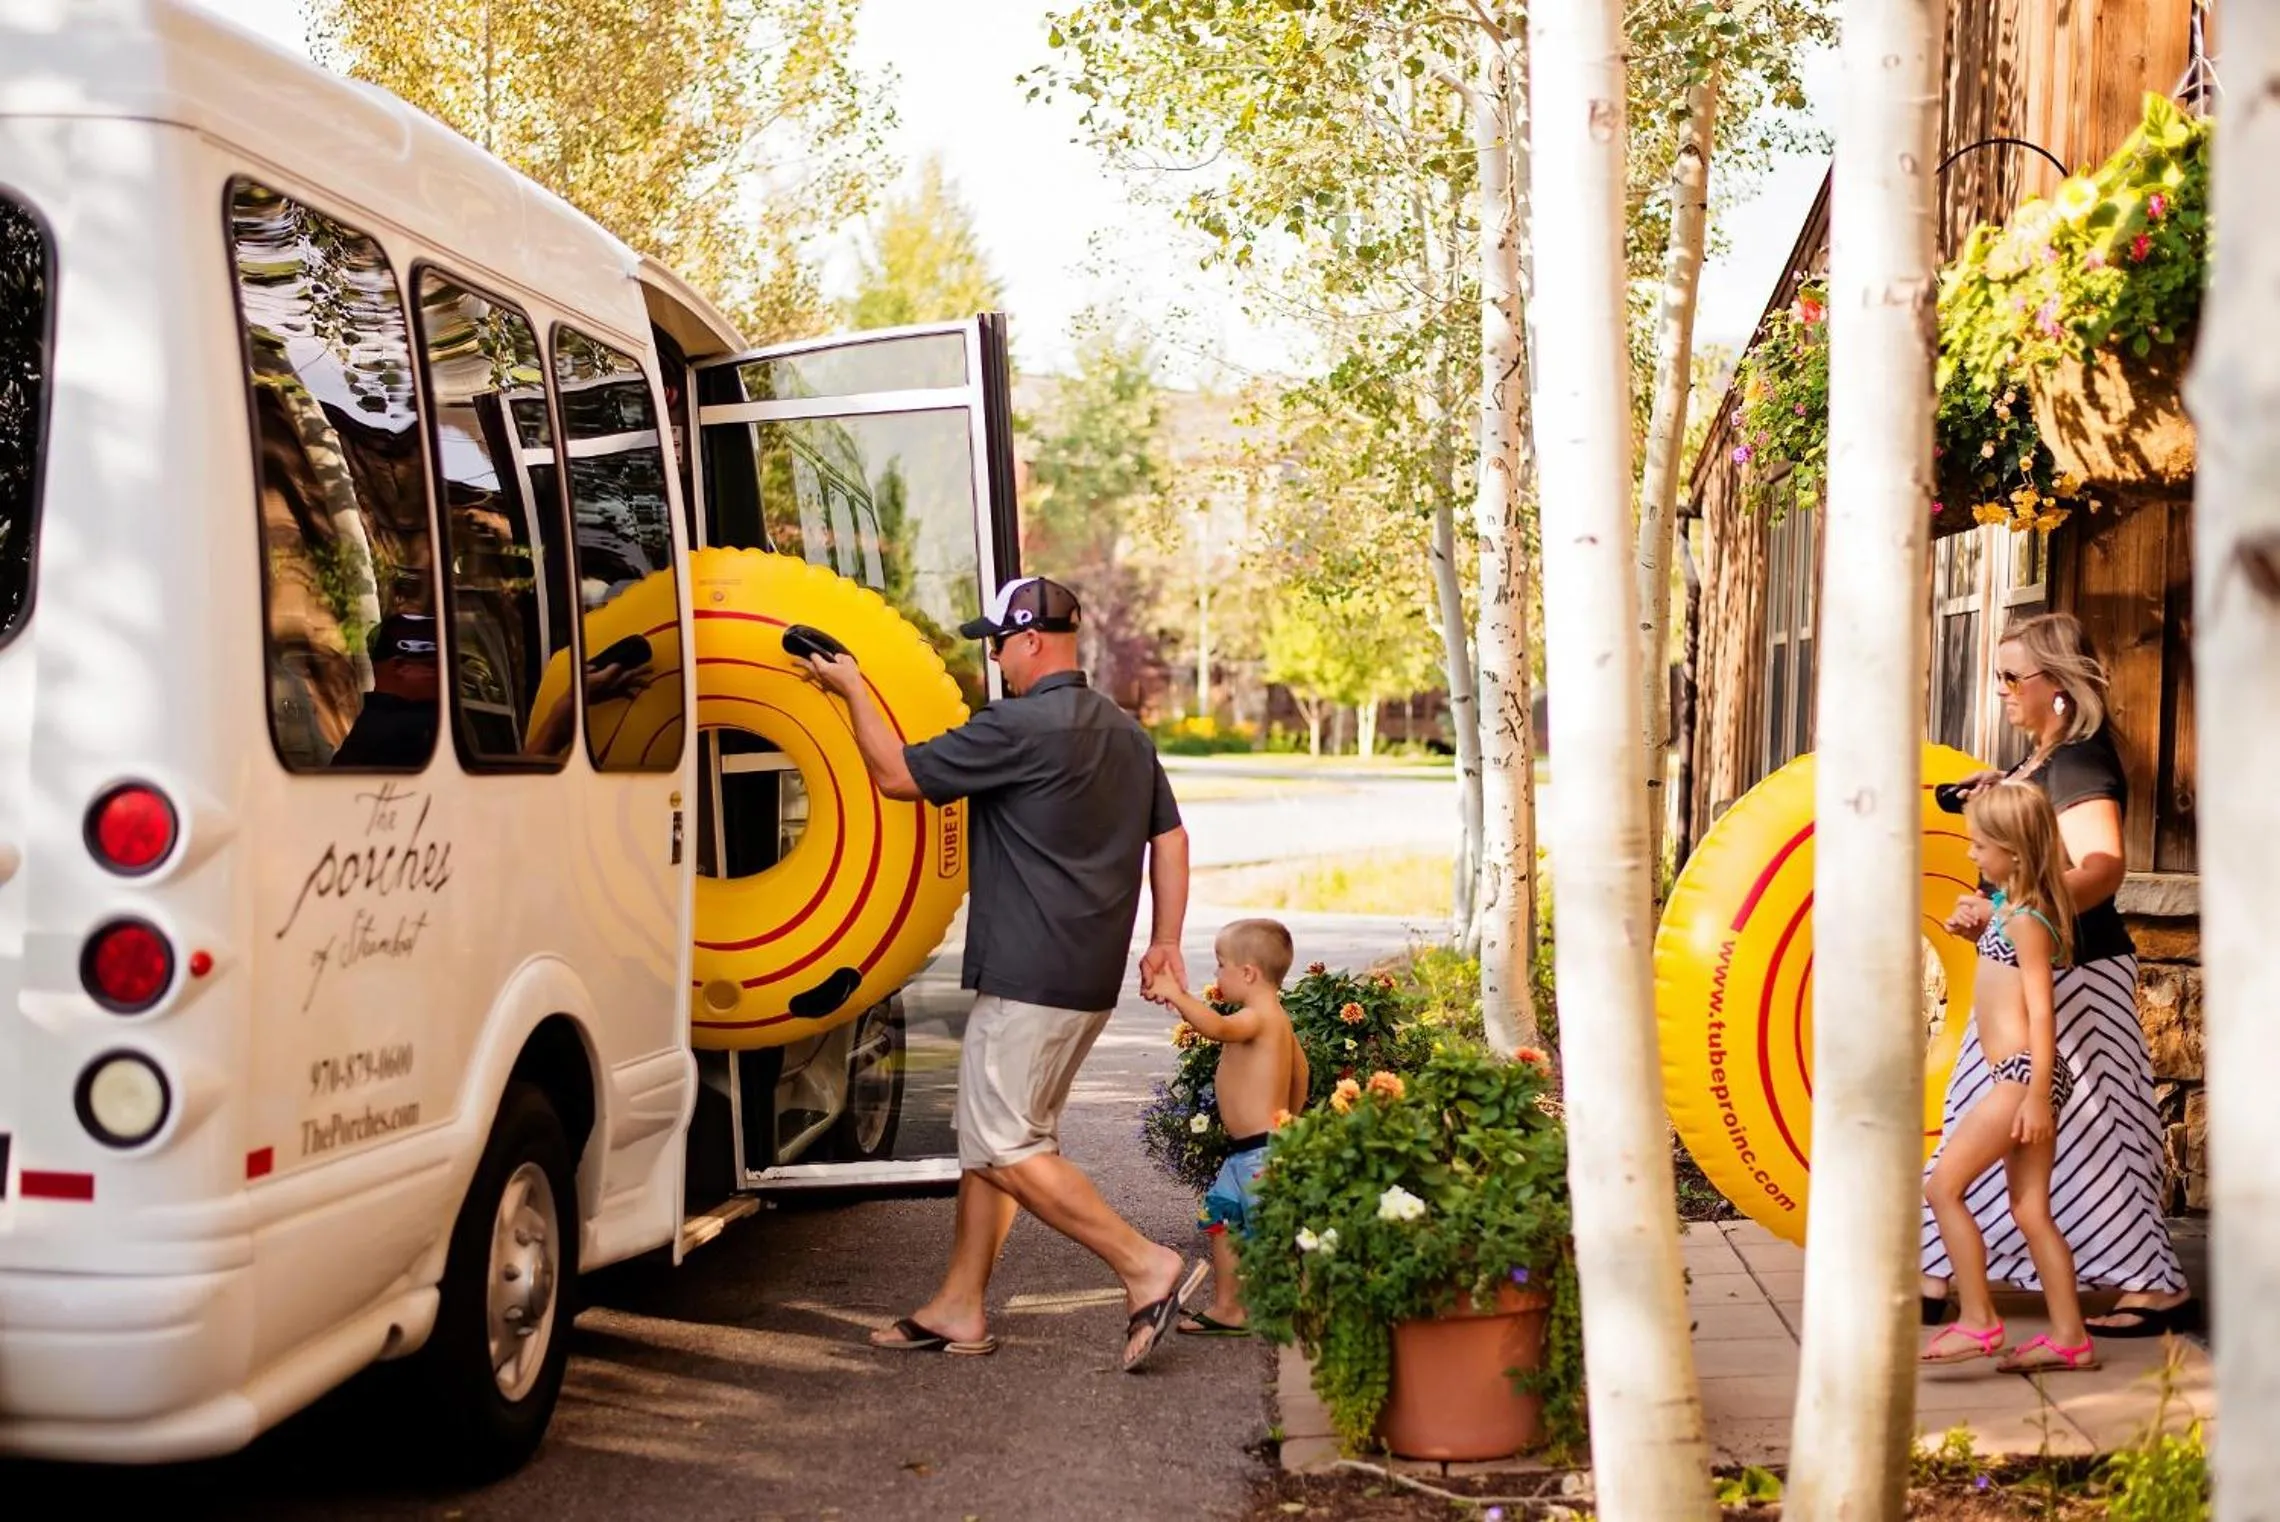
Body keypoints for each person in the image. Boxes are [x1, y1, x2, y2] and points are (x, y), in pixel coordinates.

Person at [802, 575, 1205, 1372]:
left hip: (1026, 980)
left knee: (1005, 1147)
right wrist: (1165, 940)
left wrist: (849, 687)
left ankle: (1144, 1266)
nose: (995, 660)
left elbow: (897, 776)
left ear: (1030, 640)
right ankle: (960, 1304)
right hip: (1084, 983)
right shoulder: (1124, 732)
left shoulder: (1015, 727)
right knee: (997, 1143)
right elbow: (1172, 839)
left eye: (997, 645)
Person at [1921, 612, 2198, 1337]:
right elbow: (2027, 861)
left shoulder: (2077, 763)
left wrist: (2017, 914)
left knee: (2098, 1126)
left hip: (2076, 975)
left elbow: (2101, 869)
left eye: (2013, 677)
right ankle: (1940, 1271)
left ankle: (2150, 1286)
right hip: (2033, 965)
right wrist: (1994, 904)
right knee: (2003, 1116)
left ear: (2059, 685)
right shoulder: (2041, 760)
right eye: (1999, 676)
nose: (2002, 690)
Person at [1923, 784, 2097, 1372]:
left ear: (2014, 853)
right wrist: (1978, 931)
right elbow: (2005, 965)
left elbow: (2043, 1012)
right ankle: (2070, 1339)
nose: (1971, 854)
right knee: (2030, 1211)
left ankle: (1978, 1320)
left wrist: (2038, 1097)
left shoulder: (2027, 920)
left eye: (1979, 846)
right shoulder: (2013, 910)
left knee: (1942, 1188)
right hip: (2024, 1076)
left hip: (2024, 1077)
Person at [1142, 918, 1309, 1338]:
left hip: (1260, 1153)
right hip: (1246, 1152)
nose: (1216, 974)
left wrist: (1176, 995)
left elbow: (1217, 1028)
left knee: (1267, 1230)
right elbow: (1301, 1072)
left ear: (1248, 973)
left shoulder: (1259, 1017)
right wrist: (1290, 1117)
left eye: (1220, 965)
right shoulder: (1275, 1020)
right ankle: (1229, 1308)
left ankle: (1290, 1307)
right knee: (1222, 1221)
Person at [330, 612, 439, 768]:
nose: (442, 675)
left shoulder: (370, 725)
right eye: (432, 666)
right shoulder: (406, 728)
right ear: (399, 667)